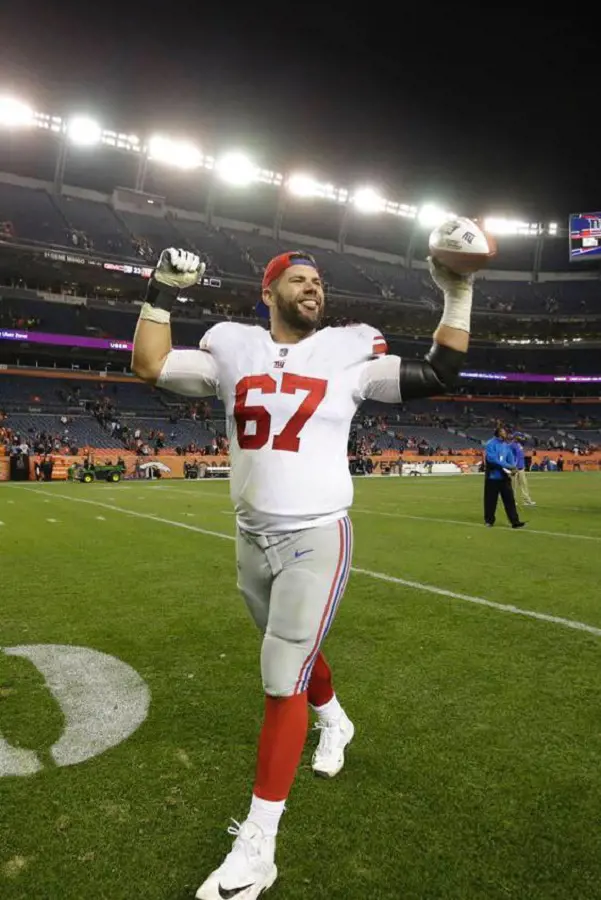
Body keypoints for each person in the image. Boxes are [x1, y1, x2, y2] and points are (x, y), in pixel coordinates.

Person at [132, 246, 475, 900]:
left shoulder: (347, 351)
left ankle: (258, 845)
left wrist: (455, 293)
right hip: (250, 535)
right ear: (269, 291)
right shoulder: (232, 346)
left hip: (316, 534)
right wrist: (160, 291)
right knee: (290, 652)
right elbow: (149, 363)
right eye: (299, 279)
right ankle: (336, 720)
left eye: (318, 282)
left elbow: (439, 372)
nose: (312, 289)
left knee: (279, 672)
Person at [484, 426, 525, 528]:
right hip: (493, 476)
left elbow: (510, 457)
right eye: (503, 432)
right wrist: (508, 466)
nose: (505, 433)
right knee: (490, 500)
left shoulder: (505, 445)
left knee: (510, 500)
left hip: (504, 477)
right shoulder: (490, 444)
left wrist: (513, 467)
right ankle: (489, 521)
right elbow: (492, 459)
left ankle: (515, 522)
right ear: (498, 433)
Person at [509, 432, 536, 506]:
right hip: (514, 468)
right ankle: (512, 501)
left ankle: (527, 500)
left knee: (524, 484)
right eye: (520, 436)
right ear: (516, 437)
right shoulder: (511, 445)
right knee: (513, 486)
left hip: (521, 468)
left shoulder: (519, 444)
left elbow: (521, 455)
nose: (521, 438)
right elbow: (509, 456)